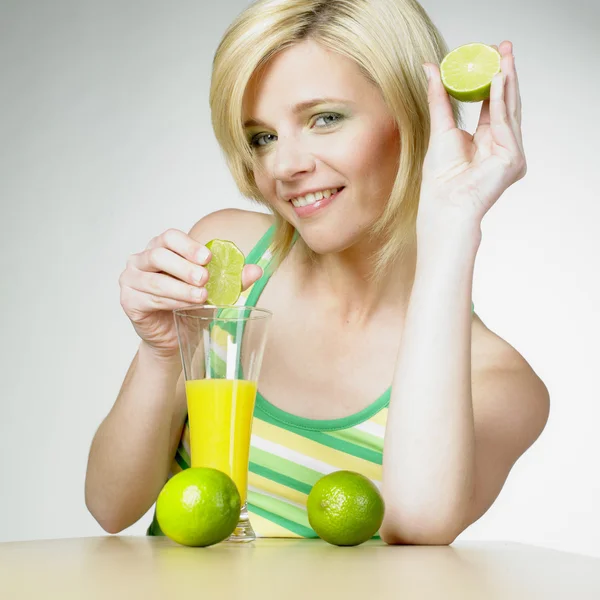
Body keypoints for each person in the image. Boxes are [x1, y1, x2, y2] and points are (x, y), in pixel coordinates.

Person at [85, 0, 550, 545]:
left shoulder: (497, 382)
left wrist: (452, 225)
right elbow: (110, 507)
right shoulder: (230, 265)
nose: (284, 167)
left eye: (324, 119)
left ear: (414, 115)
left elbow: (418, 527)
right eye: (262, 137)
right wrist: (161, 353)